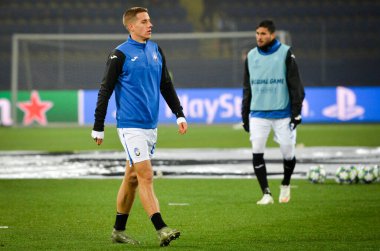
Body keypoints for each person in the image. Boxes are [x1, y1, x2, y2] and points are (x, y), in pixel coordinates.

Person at [91, 7, 187, 246]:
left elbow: (166, 84)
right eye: (144, 21)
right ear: (131, 26)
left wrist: (179, 114)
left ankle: (118, 231)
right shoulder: (119, 54)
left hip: (150, 126)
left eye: (150, 20)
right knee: (145, 175)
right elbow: (106, 89)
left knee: (132, 178)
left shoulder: (156, 50)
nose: (150, 24)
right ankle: (161, 228)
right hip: (129, 125)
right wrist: (98, 125)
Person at [241, 20, 305, 205]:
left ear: (272, 35)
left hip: (282, 113)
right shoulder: (251, 56)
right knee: (257, 151)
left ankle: (286, 183)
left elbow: (296, 85)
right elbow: (247, 88)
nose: (259, 37)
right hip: (258, 113)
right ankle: (266, 193)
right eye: (257, 33)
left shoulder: (285, 53)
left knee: (288, 152)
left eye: (263, 34)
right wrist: (244, 114)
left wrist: (296, 112)